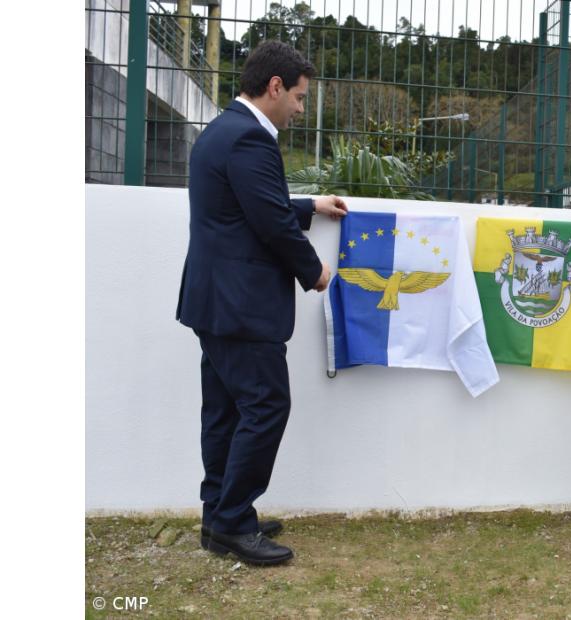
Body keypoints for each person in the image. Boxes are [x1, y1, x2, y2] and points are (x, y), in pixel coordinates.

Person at [176, 41, 348, 565]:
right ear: (274, 87)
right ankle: (232, 523)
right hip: (243, 306)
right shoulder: (250, 139)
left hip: (217, 302)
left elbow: (252, 205)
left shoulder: (223, 130)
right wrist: (314, 271)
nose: (300, 108)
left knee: (226, 410)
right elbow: (268, 221)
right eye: (298, 97)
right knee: (267, 406)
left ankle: (219, 516)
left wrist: (309, 204)